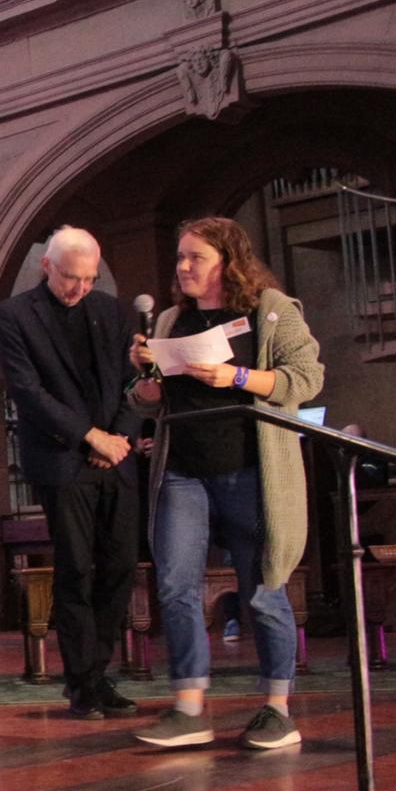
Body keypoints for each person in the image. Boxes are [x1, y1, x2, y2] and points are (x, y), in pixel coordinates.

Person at [128, 216, 323, 749]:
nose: (184, 267)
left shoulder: (271, 312)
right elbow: (146, 402)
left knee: (263, 588)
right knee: (175, 586)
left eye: (197, 258)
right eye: (180, 257)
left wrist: (235, 377)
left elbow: (305, 379)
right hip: (183, 470)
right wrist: (146, 377)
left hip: (250, 469)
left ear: (227, 263)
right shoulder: (171, 319)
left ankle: (276, 708)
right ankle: (190, 708)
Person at [0, 226, 143, 718]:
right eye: (71, 278)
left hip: (114, 458)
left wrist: (115, 438)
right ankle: (83, 682)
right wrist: (88, 437)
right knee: (76, 570)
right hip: (62, 461)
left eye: (89, 279)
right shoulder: (15, 315)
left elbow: (133, 382)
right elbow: (29, 393)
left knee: (119, 567)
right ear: (47, 268)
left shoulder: (108, 310)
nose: (80, 288)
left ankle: (99, 672)